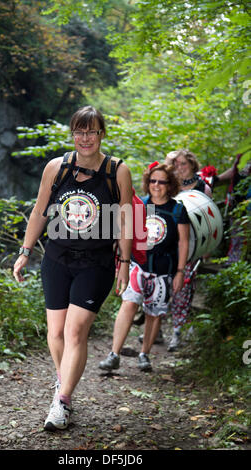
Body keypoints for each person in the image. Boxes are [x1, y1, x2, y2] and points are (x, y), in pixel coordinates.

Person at [13, 106, 133, 431]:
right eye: (79, 132)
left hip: (96, 262)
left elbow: (125, 221)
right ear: (72, 134)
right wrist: (25, 252)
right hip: (57, 258)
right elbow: (39, 212)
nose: (85, 138)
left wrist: (124, 261)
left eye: (91, 131)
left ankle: (62, 402)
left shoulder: (116, 170)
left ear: (101, 134)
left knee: (75, 331)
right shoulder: (57, 168)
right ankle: (63, 381)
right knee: (55, 333)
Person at [99, 162, 190, 372]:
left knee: (153, 313)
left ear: (170, 184)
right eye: (153, 180)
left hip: (163, 270)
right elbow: (125, 234)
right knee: (129, 304)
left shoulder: (177, 210)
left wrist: (180, 271)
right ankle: (114, 354)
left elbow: (183, 242)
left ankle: (144, 354)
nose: (156, 185)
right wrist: (120, 262)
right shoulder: (139, 204)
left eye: (162, 181)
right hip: (137, 266)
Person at [164, 149, 212, 351]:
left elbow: (210, 221)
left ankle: (177, 331)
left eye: (183, 164)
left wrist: (207, 247)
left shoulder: (203, 188)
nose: (180, 168)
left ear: (192, 164)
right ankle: (154, 328)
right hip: (168, 244)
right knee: (162, 284)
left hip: (192, 245)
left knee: (183, 287)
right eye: (176, 164)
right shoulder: (170, 186)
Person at [214, 153, 250, 263]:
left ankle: (239, 261)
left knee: (245, 231)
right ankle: (234, 260)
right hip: (236, 198)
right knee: (236, 230)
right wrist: (216, 179)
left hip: (248, 199)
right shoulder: (243, 154)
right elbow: (234, 171)